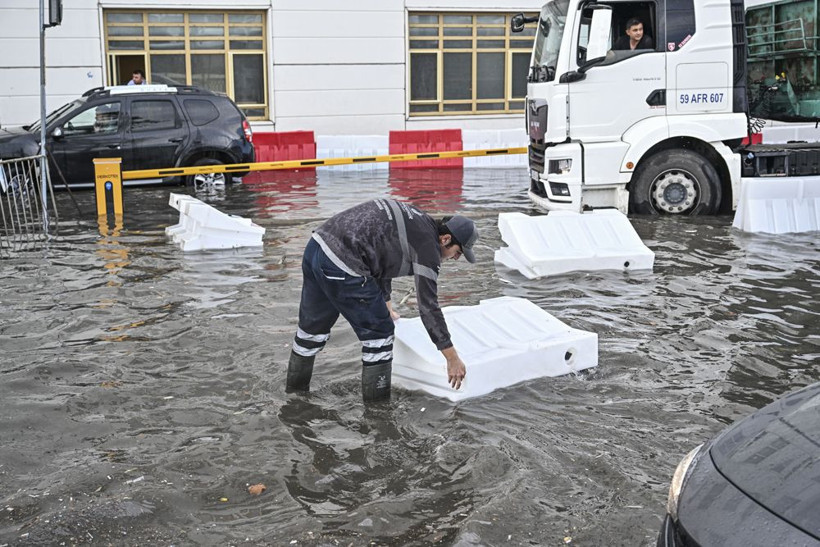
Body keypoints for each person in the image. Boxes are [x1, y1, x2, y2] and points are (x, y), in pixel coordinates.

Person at [287, 199, 479, 402]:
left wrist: (386, 302)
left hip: (317, 246)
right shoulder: (428, 249)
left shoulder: (417, 219)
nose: (456, 258)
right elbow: (428, 307)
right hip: (342, 261)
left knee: (311, 332)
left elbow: (382, 253)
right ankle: (378, 414)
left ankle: (293, 398)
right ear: (446, 239)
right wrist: (452, 358)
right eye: (458, 252)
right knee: (380, 335)